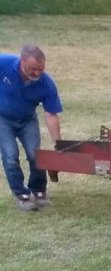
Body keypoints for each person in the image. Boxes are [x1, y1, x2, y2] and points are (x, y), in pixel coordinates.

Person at [1, 45, 63, 212]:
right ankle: (21, 195)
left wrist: (59, 144)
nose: (37, 73)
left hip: (28, 120)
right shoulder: (4, 64)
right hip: (3, 119)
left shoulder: (46, 83)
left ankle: (39, 191)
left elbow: (51, 115)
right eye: (33, 69)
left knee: (36, 155)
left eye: (40, 69)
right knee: (10, 155)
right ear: (22, 62)